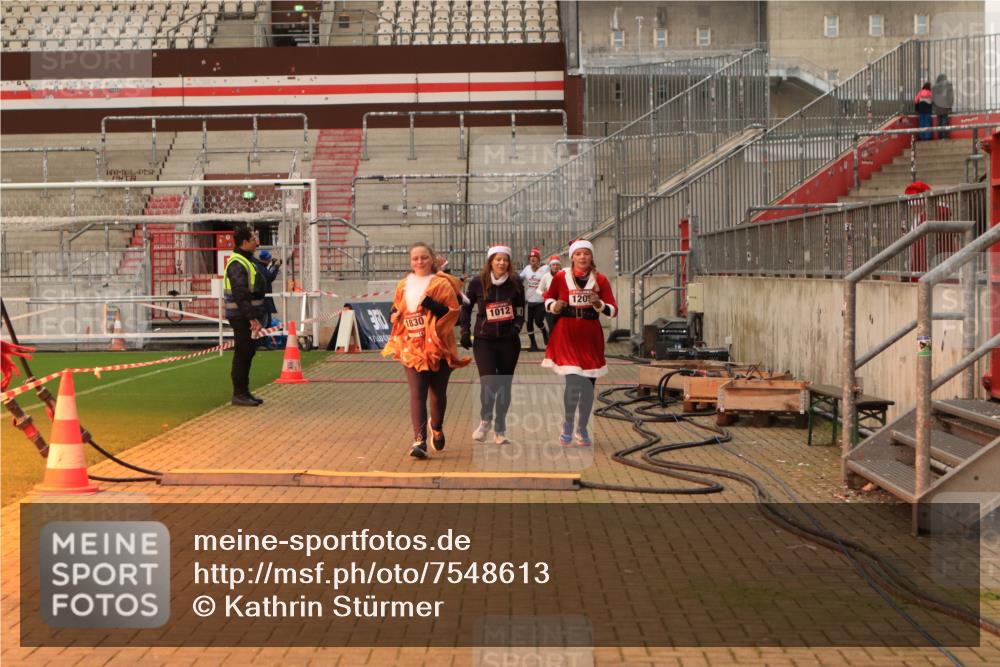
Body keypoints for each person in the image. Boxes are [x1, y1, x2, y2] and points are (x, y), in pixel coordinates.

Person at [382, 242, 470, 459]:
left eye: (423, 257)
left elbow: (453, 314)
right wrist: (393, 315)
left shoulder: (441, 284)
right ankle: (419, 440)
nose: (419, 262)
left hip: (440, 348)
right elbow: (395, 307)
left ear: (432, 259)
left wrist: (431, 304)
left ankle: (437, 427)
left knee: (438, 395)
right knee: (417, 393)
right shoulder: (404, 285)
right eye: (415, 258)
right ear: (410, 262)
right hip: (412, 347)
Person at [542, 239, 617, 446]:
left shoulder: (600, 279)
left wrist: (599, 304)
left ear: (591, 256)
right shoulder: (560, 276)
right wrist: (554, 306)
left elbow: (613, 309)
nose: (582, 257)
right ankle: (567, 423)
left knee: (588, 386)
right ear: (572, 257)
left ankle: (582, 426)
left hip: (590, 335)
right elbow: (548, 299)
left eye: (586, 253)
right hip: (567, 333)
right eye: (578, 254)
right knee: (573, 382)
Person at [460, 245, 525, 445]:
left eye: (505, 259)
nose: (502, 263)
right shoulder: (477, 282)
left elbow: (521, 309)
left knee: (504, 386)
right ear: (490, 261)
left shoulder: (516, 283)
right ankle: (485, 419)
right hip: (484, 340)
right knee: (489, 382)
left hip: (509, 341)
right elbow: (466, 306)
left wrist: (515, 327)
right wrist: (465, 330)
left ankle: (500, 429)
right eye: (497, 259)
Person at [225, 225, 267, 407]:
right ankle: (239, 394)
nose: (257, 243)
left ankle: (244, 392)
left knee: (248, 352)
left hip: (245, 315)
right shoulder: (237, 263)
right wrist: (251, 318)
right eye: (253, 240)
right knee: (243, 353)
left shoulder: (245, 261)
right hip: (241, 316)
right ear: (244, 242)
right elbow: (240, 294)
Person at [519, 247, 549, 351]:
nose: (532, 259)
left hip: (540, 300)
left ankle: (545, 332)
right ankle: (533, 345)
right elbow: (519, 279)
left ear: (539, 259)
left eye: (535, 257)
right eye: (531, 257)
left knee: (538, 321)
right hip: (529, 300)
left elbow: (552, 277)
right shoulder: (527, 268)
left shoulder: (545, 269)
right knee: (529, 323)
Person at [537, 254, 562, 336]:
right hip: (549, 306)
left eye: (557, 264)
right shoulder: (546, 276)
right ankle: (552, 347)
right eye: (553, 265)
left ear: (559, 265)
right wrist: (543, 294)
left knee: (561, 329)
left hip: (562, 305)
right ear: (550, 266)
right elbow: (538, 289)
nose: (555, 266)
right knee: (552, 329)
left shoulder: (563, 275)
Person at [932, 74, 954, 139]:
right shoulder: (948, 86)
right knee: (945, 121)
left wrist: (934, 107)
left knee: (939, 122)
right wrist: (950, 105)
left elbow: (932, 98)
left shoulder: (934, 87)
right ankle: (944, 137)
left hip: (937, 107)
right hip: (945, 106)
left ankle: (940, 136)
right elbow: (950, 97)